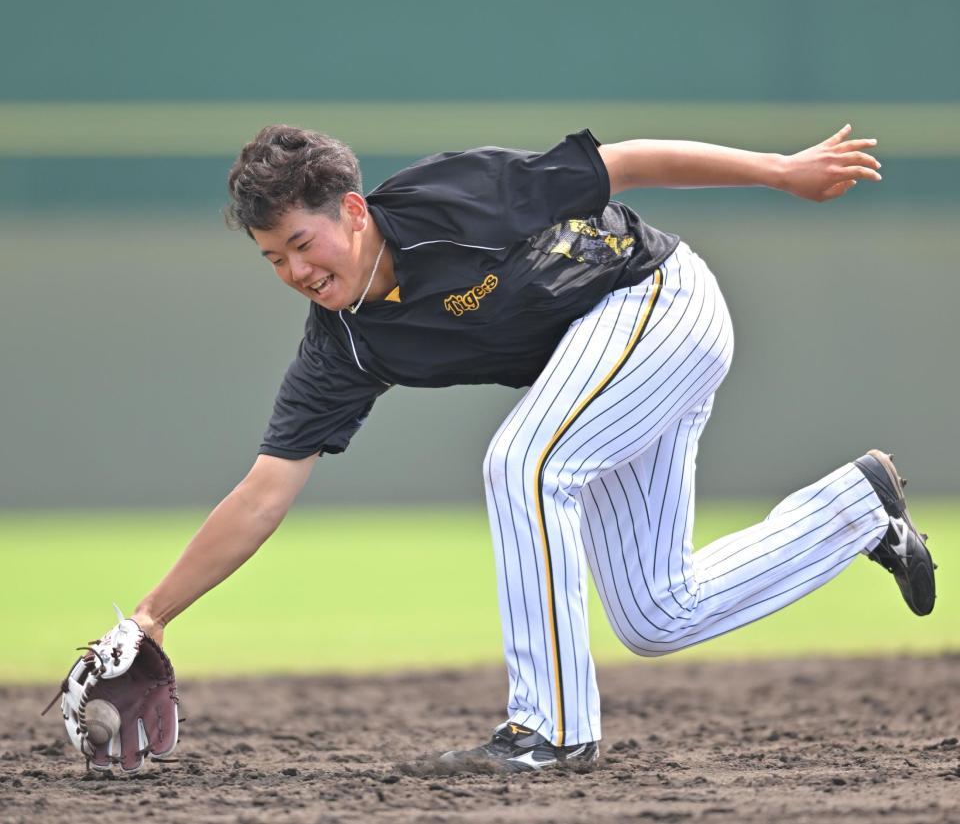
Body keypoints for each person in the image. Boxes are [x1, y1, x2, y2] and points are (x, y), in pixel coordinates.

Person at [126, 122, 935, 771]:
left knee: (525, 462)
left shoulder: (451, 199)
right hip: (614, 369)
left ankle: (550, 728)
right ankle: (857, 509)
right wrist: (150, 615)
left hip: (658, 299)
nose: (295, 269)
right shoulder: (343, 346)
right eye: (274, 257)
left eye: (304, 243)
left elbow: (624, 163)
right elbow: (263, 494)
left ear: (354, 211)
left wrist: (782, 172)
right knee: (658, 612)